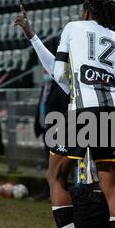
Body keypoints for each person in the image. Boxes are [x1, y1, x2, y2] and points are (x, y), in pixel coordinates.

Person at [14, 0, 115, 228]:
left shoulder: (73, 28)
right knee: (111, 185)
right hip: (112, 115)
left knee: (55, 176)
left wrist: (32, 36)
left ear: (86, 12)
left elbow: (58, 74)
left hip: (80, 113)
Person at [33, 72, 70, 201]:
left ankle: (56, 193)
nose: (44, 71)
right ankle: (48, 192)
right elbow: (41, 106)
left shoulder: (59, 86)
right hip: (46, 129)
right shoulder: (45, 86)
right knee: (48, 163)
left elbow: (64, 107)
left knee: (57, 166)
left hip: (56, 131)